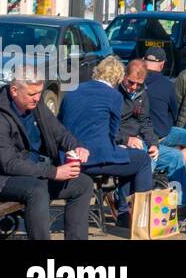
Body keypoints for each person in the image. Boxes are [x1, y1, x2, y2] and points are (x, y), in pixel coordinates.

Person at [0, 65, 93, 240]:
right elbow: (10, 164)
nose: (37, 98)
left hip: (33, 170)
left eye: (39, 92)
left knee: (83, 183)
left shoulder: (36, 105)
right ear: (14, 91)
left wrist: (76, 146)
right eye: (31, 94)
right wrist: (54, 172)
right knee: (36, 190)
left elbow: (59, 132)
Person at [59, 55, 152, 223]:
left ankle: (124, 215)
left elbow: (60, 126)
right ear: (118, 78)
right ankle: (142, 219)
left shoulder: (72, 91)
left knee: (127, 157)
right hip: (95, 158)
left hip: (69, 157)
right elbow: (112, 133)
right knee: (142, 160)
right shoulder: (114, 96)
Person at [120, 60, 186, 221]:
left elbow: (146, 122)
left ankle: (181, 205)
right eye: (131, 82)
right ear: (124, 76)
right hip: (122, 142)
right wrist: (126, 138)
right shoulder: (115, 95)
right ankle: (131, 206)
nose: (134, 87)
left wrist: (154, 144)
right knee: (146, 160)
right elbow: (108, 125)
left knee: (175, 157)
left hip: (142, 139)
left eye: (138, 84)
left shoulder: (142, 93)